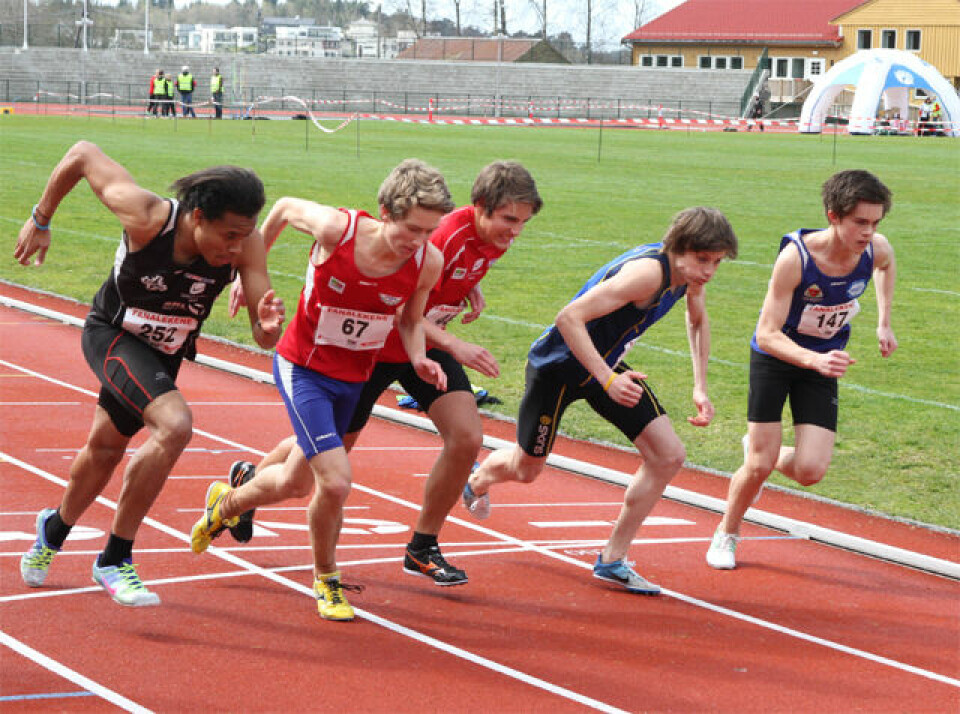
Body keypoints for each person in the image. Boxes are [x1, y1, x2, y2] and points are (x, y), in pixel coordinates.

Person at [215, 162, 542, 587]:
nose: (514, 231)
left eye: (522, 222)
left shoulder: (481, 239)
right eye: (508, 220)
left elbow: (431, 285)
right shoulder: (433, 236)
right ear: (481, 208)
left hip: (419, 348)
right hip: (371, 349)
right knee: (320, 458)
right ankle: (251, 483)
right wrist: (252, 273)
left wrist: (465, 289)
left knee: (466, 437)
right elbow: (407, 309)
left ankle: (422, 546)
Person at [16, 141, 285, 607]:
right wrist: (41, 219)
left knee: (104, 450)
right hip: (115, 335)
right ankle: (115, 558)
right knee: (175, 425)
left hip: (166, 349)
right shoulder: (147, 217)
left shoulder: (249, 243)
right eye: (229, 236)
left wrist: (269, 325)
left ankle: (53, 529)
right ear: (198, 217)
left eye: (246, 236)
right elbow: (82, 154)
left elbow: (263, 334)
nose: (238, 247)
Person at [190, 159, 454, 622]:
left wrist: (418, 358)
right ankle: (326, 580)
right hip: (303, 368)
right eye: (411, 228)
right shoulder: (338, 229)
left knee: (295, 481)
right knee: (334, 480)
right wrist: (249, 278)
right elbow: (284, 208)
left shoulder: (426, 261)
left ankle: (225, 503)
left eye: (428, 232)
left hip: (354, 379)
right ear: (385, 211)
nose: (418, 240)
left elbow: (411, 320)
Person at [463, 207, 739, 594]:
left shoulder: (688, 276)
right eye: (702, 260)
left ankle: (613, 558)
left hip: (604, 367)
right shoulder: (648, 275)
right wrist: (607, 378)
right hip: (557, 367)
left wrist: (700, 386)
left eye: (716, 263)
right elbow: (569, 318)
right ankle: (476, 479)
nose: (708, 271)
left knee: (669, 455)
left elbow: (697, 320)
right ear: (678, 248)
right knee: (527, 469)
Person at [706, 170, 896, 570]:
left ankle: (761, 450)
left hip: (821, 363)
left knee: (810, 471)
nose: (869, 232)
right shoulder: (796, 259)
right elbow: (767, 332)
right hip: (776, 359)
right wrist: (814, 358)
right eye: (860, 222)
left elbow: (886, 265)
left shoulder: (875, 249)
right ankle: (727, 532)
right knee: (758, 466)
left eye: (875, 222)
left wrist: (883, 321)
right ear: (833, 216)